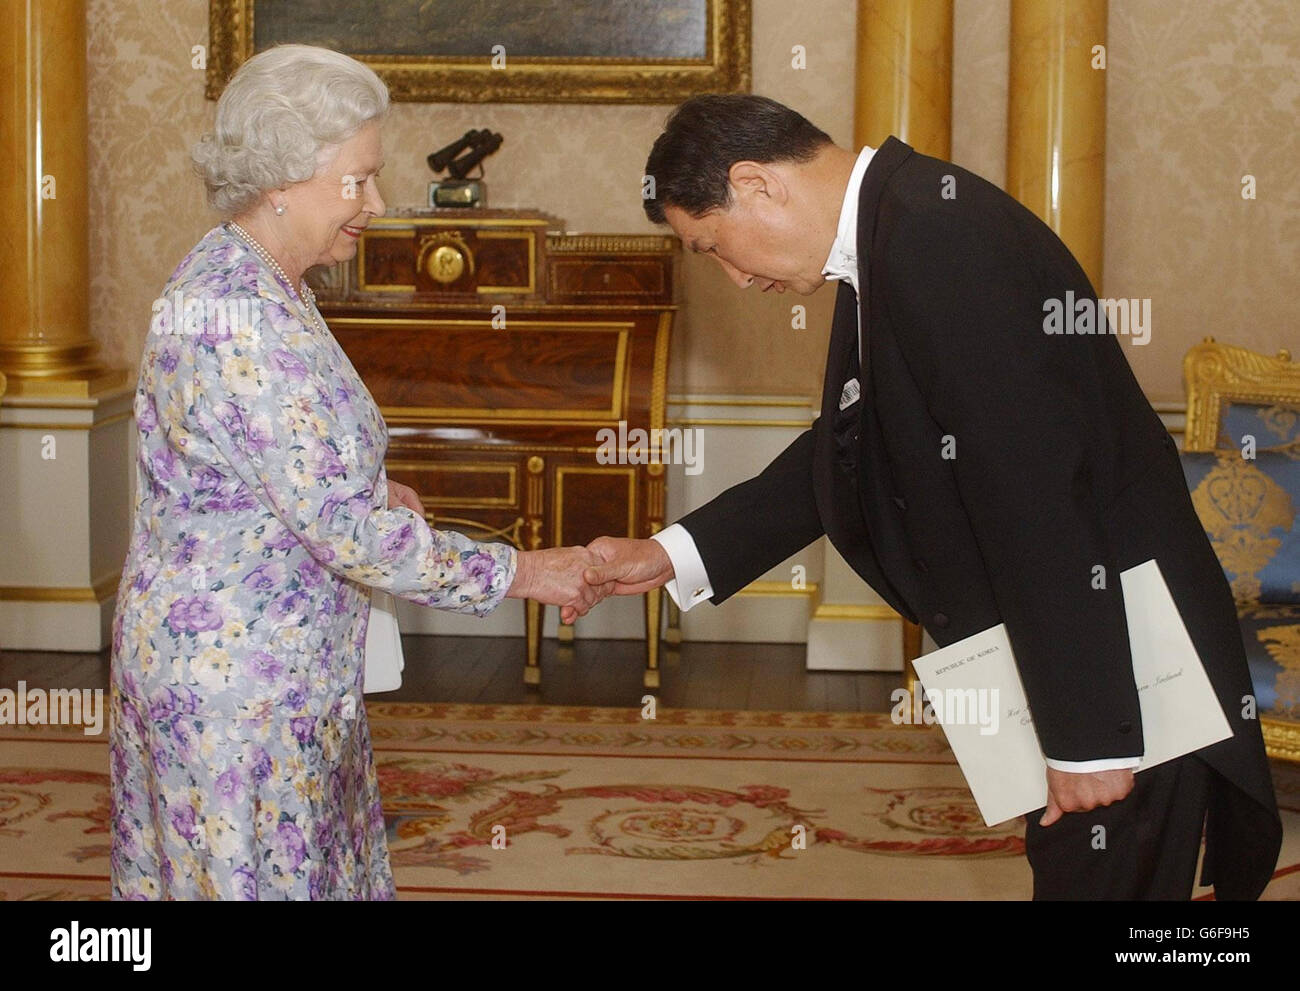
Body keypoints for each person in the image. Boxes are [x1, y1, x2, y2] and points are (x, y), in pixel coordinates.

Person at [579, 94, 1282, 900]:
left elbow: (1037, 496)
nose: (735, 277)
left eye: (712, 246)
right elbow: (847, 451)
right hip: (1093, 652)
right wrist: (672, 553)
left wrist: (1088, 739)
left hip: (1127, 669)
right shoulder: (897, 232)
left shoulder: (937, 240)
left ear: (757, 184)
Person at [110, 44, 604, 900]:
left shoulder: (271, 285)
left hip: (279, 676)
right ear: (282, 176)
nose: (375, 203)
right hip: (239, 696)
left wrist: (372, 489)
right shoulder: (241, 315)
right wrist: (526, 570)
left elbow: (274, 475)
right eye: (358, 179)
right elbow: (342, 532)